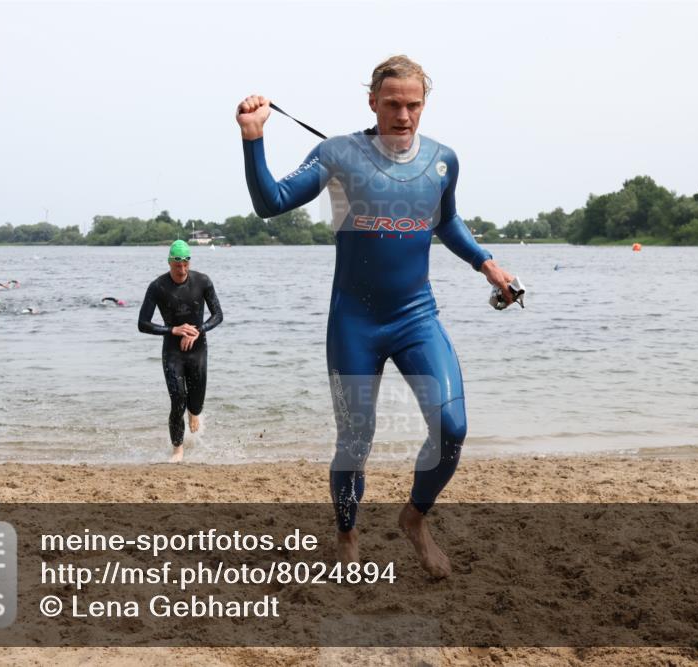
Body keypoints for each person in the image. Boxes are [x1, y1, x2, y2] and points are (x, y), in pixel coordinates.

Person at [237, 55, 518, 578]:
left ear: (424, 105)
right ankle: (347, 532)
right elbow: (270, 202)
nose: (404, 114)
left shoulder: (442, 160)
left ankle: (415, 517)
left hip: (416, 316)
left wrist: (488, 264)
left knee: (452, 426)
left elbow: (447, 221)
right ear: (373, 102)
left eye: (414, 104)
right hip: (355, 323)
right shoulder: (337, 153)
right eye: (393, 103)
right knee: (356, 438)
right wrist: (254, 138)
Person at [138, 240, 223, 462]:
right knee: (178, 400)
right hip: (173, 351)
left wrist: (198, 330)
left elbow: (218, 315)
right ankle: (178, 450)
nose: (182, 270)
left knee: (196, 403)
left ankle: (194, 412)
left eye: (185, 264)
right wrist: (173, 329)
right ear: (169, 263)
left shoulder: (203, 281)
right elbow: (142, 323)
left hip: (198, 350)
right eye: (177, 266)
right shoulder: (157, 287)